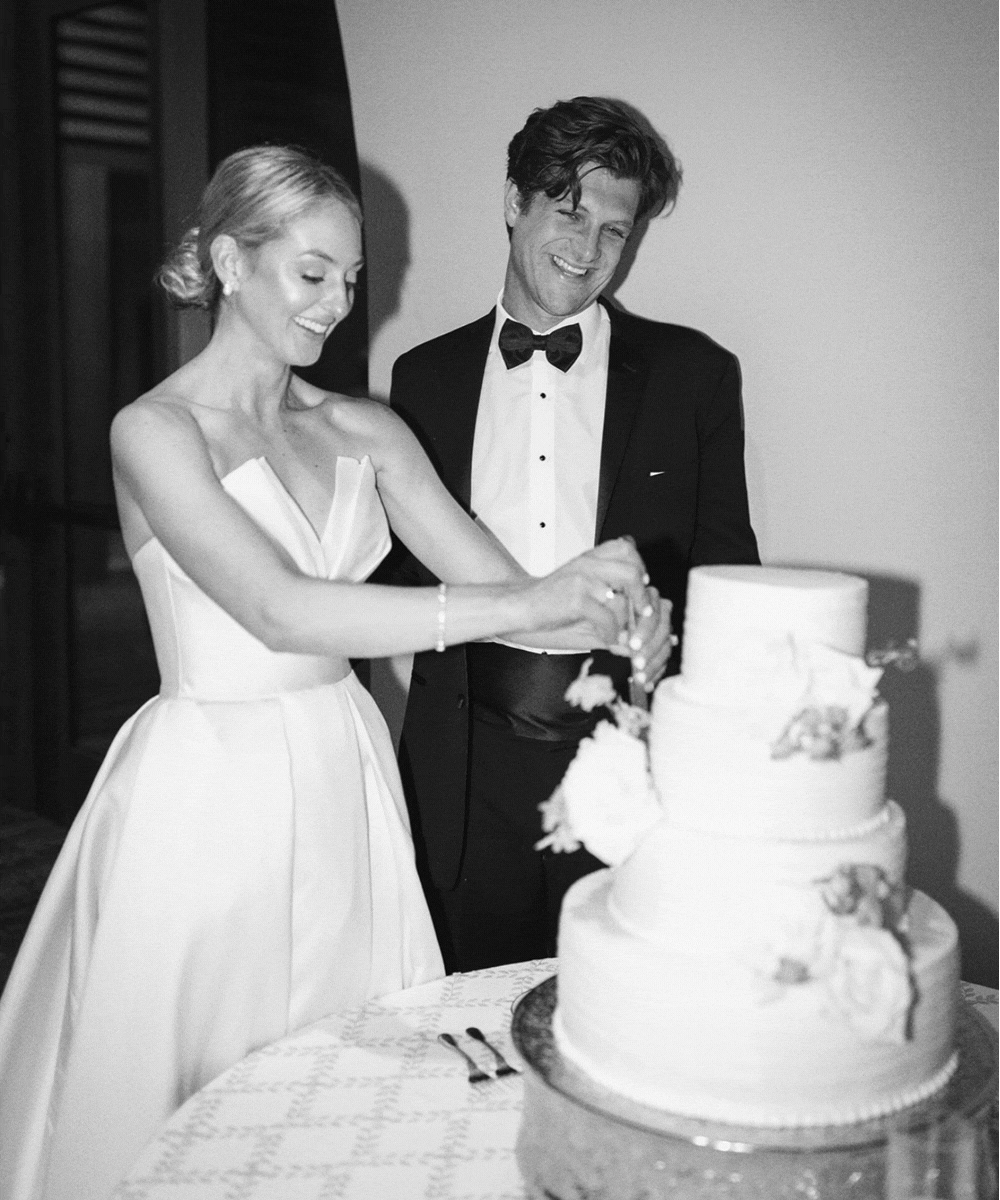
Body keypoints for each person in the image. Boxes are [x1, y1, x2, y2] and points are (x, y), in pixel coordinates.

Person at [0, 145, 655, 1200]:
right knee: (194, 1078)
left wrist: (615, 614)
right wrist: (531, 604)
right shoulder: (154, 432)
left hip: (344, 767)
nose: (338, 304)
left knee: (347, 1087)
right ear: (229, 261)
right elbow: (278, 611)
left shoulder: (364, 428)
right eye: (312, 273)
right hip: (207, 784)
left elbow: (517, 600)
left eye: (351, 278)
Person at [389, 97, 760, 972]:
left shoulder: (695, 376)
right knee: (464, 1011)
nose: (588, 249)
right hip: (464, 765)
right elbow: (401, 577)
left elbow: (727, 581)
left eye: (614, 230)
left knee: (620, 1000)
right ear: (514, 201)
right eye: (568, 210)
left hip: (627, 763)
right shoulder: (423, 377)